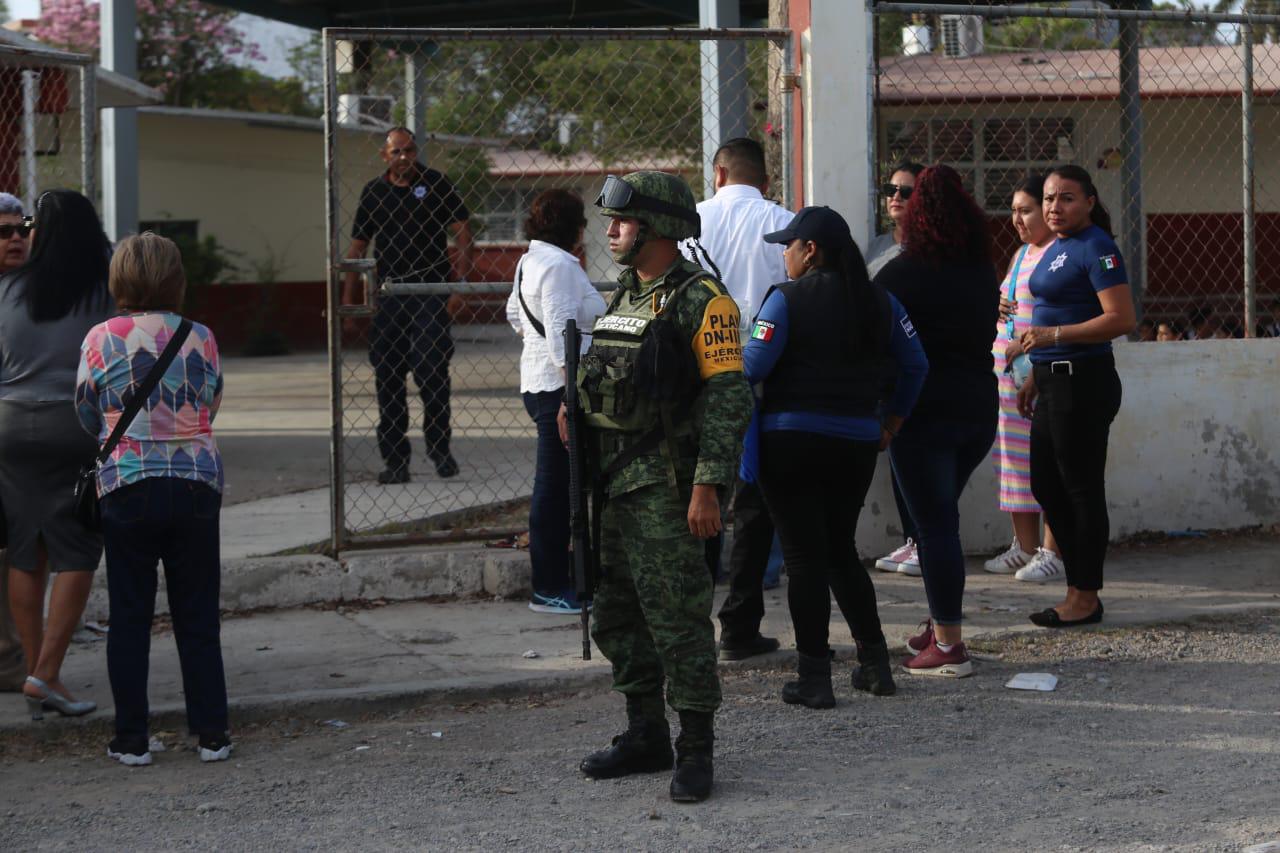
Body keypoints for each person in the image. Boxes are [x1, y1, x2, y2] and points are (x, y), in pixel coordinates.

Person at [564, 171, 752, 803]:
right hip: (615, 485)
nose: (610, 230)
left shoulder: (703, 300)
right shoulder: (627, 293)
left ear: (657, 227)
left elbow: (729, 398)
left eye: (622, 220)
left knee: (677, 618)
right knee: (619, 612)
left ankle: (695, 748)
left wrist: (708, 488)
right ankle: (644, 732)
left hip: (668, 489)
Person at [748, 206, 927, 707]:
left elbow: (753, 366)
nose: (784, 255)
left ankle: (814, 678)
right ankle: (875, 664)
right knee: (840, 551)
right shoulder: (882, 302)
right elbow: (917, 364)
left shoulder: (784, 300)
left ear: (811, 251)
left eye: (789, 246)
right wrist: (892, 421)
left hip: (790, 441)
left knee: (804, 558)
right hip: (855, 443)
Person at [76, 232, 231, 766]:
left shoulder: (99, 337)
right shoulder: (201, 336)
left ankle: (132, 738)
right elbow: (212, 400)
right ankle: (212, 734)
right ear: (176, 279)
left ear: (119, 278)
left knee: (130, 615)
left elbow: (84, 412)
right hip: (195, 484)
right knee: (197, 615)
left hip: (127, 485)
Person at [874, 165, 999, 678]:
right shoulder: (981, 269)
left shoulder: (902, 273)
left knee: (935, 528)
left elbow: (873, 337)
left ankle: (948, 645)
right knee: (939, 520)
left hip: (922, 412)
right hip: (977, 409)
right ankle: (938, 621)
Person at [678, 136, 793, 662]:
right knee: (751, 502)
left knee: (695, 495)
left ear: (717, 174)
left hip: (695, 376)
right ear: (765, 181)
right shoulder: (785, 224)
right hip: (761, 373)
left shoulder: (687, 224)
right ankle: (740, 627)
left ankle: (689, 625)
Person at [0, 189, 112, 718]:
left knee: (27, 552)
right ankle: (46, 672)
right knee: (78, 551)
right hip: (75, 424)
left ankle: (35, 671)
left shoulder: (9, 289)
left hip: (10, 427)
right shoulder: (103, 291)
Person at [1017, 165, 1136, 628]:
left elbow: (1121, 318)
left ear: (1089, 201)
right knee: (1046, 484)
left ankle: (1085, 596)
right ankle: (1078, 587)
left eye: (1066, 198)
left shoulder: (1098, 247)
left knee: (1081, 490)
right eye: (1049, 198)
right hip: (1052, 381)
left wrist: (1053, 337)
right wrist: (1035, 377)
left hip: (1082, 382)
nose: (1054, 207)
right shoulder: (1057, 247)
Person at [342, 126, 473, 483]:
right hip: (391, 295)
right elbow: (358, 248)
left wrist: (460, 285)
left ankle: (439, 450)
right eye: (397, 152)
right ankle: (396, 461)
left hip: (431, 292)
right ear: (385, 156)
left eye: (410, 151)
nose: (404, 157)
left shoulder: (437, 183)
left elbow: (462, 230)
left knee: (432, 372)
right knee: (388, 376)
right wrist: (348, 299)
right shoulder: (374, 192)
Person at [504, 189, 605, 614]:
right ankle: (548, 587)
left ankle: (566, 580)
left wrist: (534, 345)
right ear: (575, 227)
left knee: (563, 487)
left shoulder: (531, 259)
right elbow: (566, 332)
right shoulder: (560, 266)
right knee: (554, 489)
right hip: (560, 391)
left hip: (541, 383)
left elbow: (514, 312)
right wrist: (569, 396)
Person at [983, 175, 1064, 582]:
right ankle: (1025, 547)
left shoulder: (1060, 254)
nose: (1018, 219)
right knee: (1015, 462)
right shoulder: (1022, 253)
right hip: (1010, 381)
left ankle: (1053, 550)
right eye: (1013, 211)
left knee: (1051, 463)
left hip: (1041, 375)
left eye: (1026, 210)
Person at [868, 162, 927, 578]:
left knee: (921, 454)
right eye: (890, 189)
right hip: (882, 367)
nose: (895, 197)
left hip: (918, 365)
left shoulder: (931, 252)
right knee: (897, 455)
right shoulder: (874, 248)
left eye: (906, 191)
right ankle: (911, 540)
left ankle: (925, 539)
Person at [0, 191, 31, 691]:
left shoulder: (36, 291)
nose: (16, 238)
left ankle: (12, 657)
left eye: (22, 228)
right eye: (3, 232)